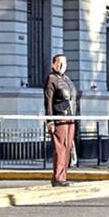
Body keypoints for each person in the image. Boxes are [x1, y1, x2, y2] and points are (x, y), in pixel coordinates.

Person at [44, 54, 77, 187]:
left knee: (67, 147)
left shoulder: (67, 80)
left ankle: (63, 176)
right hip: (59, 117)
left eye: (64, 63)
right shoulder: (51, 79)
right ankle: (57, 178)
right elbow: (48, 101)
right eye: (59, 63)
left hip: (71, 117)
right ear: (53, 64)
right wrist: (50, 120)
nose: (62, 66)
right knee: (60, 148)